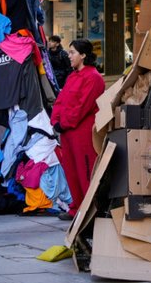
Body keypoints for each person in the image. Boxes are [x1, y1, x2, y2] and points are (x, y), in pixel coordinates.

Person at [51, 39, 106, 220]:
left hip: (82, 133)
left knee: (85, 172)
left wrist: (63, 123)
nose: (69, 55)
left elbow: (82, 106)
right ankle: (77, 208)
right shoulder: (72, 76)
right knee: (72, 171)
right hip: (68, 132)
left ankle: (89, 210)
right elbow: (61, 101)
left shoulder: (94, 77)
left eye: (72, 52)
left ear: (83, 55)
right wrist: (56, 120)